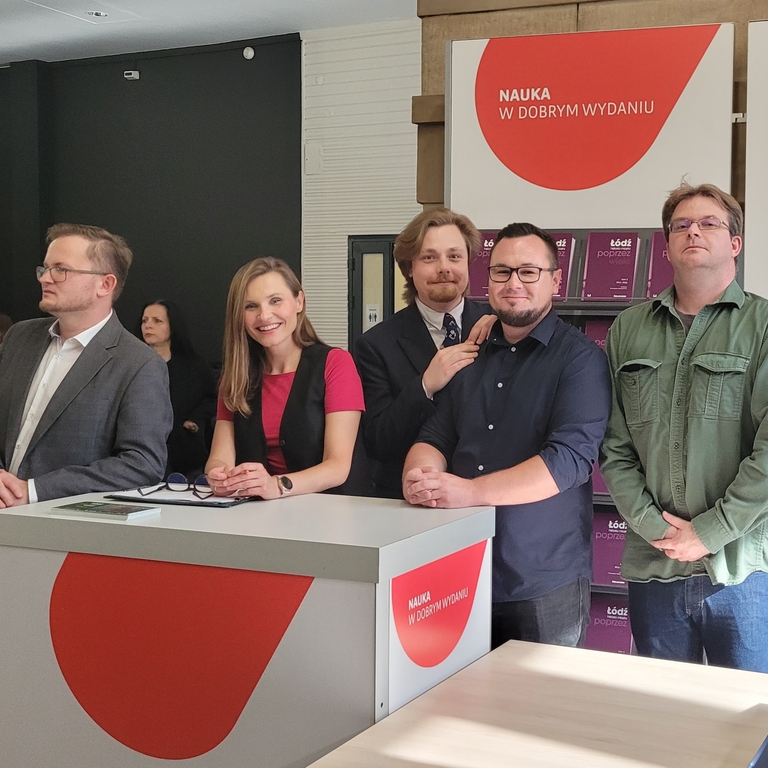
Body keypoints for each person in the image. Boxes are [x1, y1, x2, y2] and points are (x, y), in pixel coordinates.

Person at [403, 222, 611, 649]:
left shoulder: (580, 360)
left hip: (540, 580)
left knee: (539, 695)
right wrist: (420, 475)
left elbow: (568, 462)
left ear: (556, 280)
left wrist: (469, 492)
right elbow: (437, 433)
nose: (513, 283)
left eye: (528, 272)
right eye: (502, 271)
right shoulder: (470, 353)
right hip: (459, 569)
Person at [600, 182, 768, 673]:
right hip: (655, 568)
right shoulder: (628, 328)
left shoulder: (763, 325)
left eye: (709, 223)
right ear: (667, 245)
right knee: (664, 712)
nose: (693, 231)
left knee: (747, 713)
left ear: (735, 243)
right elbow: (614, 445)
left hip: (743, 571)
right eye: (681, 225)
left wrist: (711, 531)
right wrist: (656, 529)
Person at [0, 223, 172, 506]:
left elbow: (142, 464)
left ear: (105, 284)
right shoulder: (19, 337)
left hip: (63, 521)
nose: (46, 278)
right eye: (45, 268)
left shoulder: (139, 364)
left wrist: (32, 491)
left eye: (61, 269)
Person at [354, 208, 495, 498]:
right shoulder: (375, 345)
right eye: (429, 257)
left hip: (489, 494)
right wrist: (424, 386)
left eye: (454, 256)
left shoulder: (500, 327)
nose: (444, 267)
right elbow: (377, 442)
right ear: (409, 267)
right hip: (412, 500)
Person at [206, 257, 364, 499]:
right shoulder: (236, 376)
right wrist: (218, 474)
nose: (264, 315)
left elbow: (337, 467)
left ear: (299, 301)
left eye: (275, 301)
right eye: (251, 306)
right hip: (255, 513)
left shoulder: (335, 363)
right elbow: (219, 458)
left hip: (327, 510)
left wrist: (277, 485)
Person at [140, 299, 217, 478]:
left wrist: (195, 419)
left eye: (157, 321)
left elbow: (214, 398)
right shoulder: (132, 365)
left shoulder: (195, 367)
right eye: (144, 321)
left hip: (186, 454)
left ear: (172, 326)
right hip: (145, 451)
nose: (148, 326)